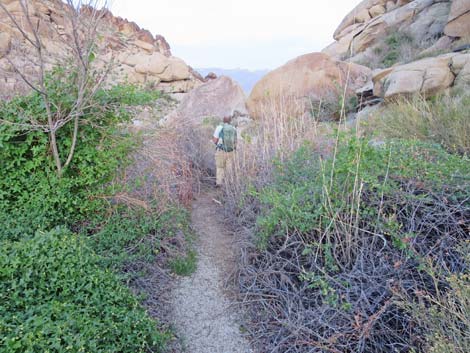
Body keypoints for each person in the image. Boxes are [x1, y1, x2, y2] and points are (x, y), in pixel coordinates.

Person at [212, 115, 237, 186]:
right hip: (231, 151)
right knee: (229, 168)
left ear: (223, 120)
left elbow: (215, 140)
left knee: (220, 167)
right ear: (230, 120)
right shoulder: (233, 128)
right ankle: (230, 184)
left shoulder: (219, 127)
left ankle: (219, 183)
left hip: (221, 150)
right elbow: (235, 141)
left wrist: (218, 145)